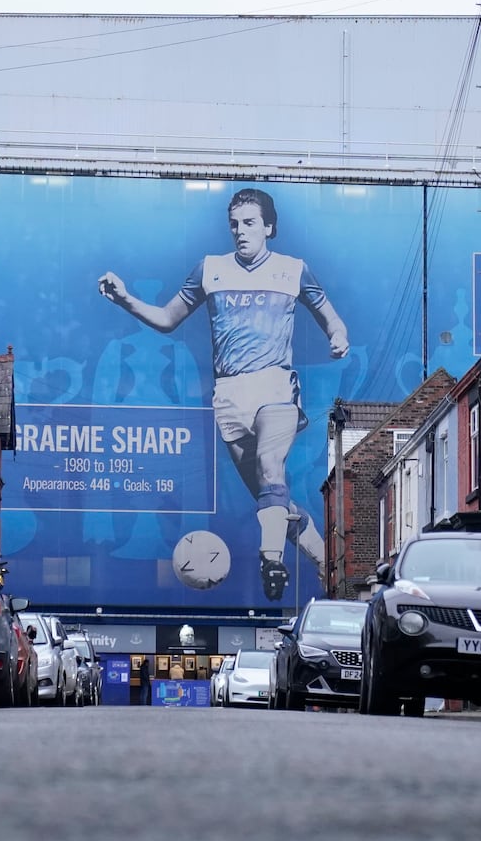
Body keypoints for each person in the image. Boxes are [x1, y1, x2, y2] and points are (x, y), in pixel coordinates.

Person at [98, 187, 350, 602]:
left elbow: (331, 318)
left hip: (274, 384)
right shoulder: (209, 270)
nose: (240, 231)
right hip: (229, 395)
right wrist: (125, 299)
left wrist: (337, 337)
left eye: (249, 223)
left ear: (269, 227)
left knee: (272, 467)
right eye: (234, 224)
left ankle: (271, 559)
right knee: (272, 499)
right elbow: (166, 319)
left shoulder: (293, 269)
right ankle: (326, 562)